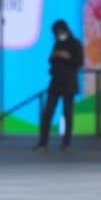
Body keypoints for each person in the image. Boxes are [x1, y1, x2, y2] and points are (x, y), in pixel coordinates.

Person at [35, 20, 83, 152]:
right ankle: (43, 142)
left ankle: (66, 143)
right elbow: (51, 61)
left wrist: (67, 56)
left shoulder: (75, 44)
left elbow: (79, 62)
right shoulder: (57, 43)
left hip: (69, 83)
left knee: (67, 113)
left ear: (65, 30)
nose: (57, 34)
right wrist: (55, 56)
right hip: (55, 82)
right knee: (48, 113)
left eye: (58, 32)